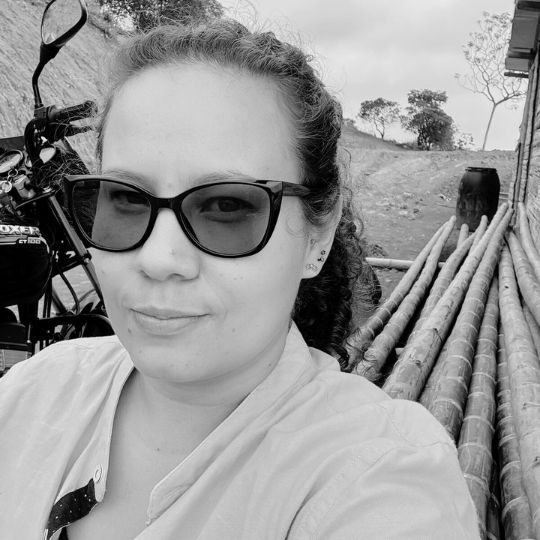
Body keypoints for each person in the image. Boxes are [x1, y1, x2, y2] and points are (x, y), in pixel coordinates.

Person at [0, 19, 480, 540]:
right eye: (127, 198)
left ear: (318, 235)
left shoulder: (380, 477)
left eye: (227, 206)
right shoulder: (33, 392)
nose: (159, 259)